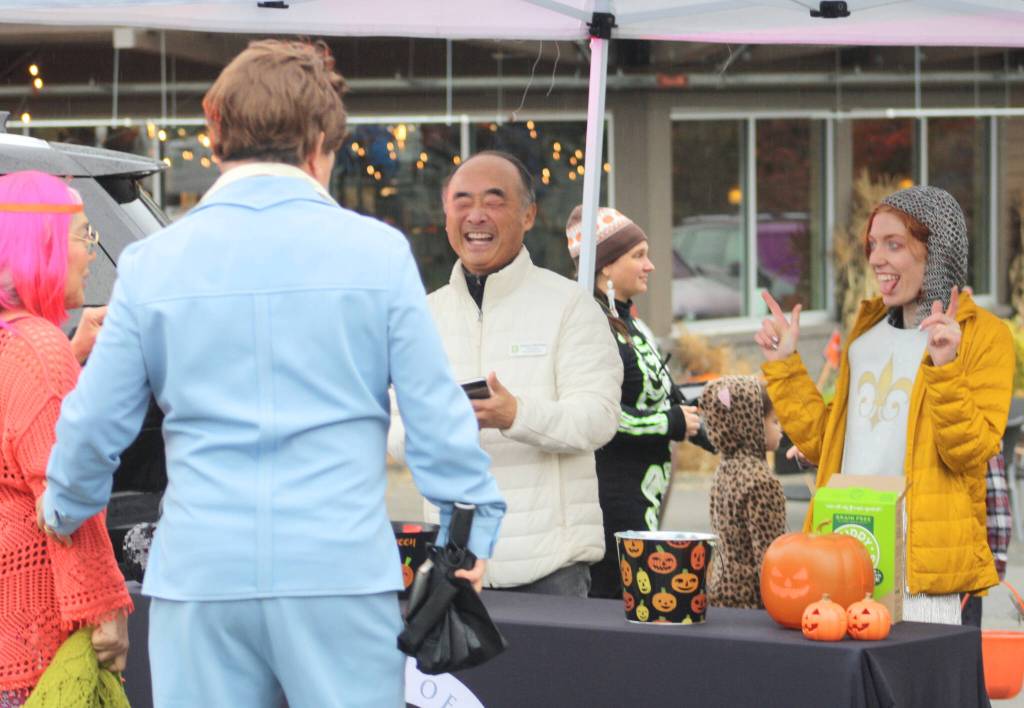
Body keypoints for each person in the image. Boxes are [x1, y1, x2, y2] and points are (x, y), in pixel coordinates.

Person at [39, 40, 505, 708]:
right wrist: (469, 537)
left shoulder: (154, 265)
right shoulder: (377, 255)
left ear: (215, 132)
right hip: (338, 571)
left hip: (200, 573)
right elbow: (436, 417)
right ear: (322, 141)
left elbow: (95, 425)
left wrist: (63, 503)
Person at [757, 185, 1013, 625]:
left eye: (894, 245)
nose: (876, 259)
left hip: (923, 570)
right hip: (844, 549)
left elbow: (969, 452)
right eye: (873, 244)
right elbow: (826, 444)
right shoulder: (865, 335)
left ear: (936, 252)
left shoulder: (984, 337)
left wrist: (946, 364)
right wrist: (785, 366)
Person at [389, 151, 622, 597]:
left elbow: (599, 419)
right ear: (445, 214)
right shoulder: (422, 315)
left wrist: (515, 415)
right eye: (462, 201)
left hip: (549, 570)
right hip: (451, 562)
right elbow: (392, 428)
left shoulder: (569, 306)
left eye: (494, 201)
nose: (476, 215)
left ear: (529, 214)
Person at [0, 171, 132, 707]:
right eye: (84, 236)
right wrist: (106, 612)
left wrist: (68, 354)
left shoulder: (18, 342)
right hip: (38, 645)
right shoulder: (38, 351)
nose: (92, 253)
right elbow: (64, 498)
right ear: (46, 246)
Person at [563, 205, 711, 599]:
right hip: (609, 498)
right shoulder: (587, 323)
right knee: (618, 606)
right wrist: (669, 423)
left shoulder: (631, 321)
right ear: (606, 267)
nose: (651, 266)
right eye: (638, 255)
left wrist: (729, 431)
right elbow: (597, 415)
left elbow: (668, 394)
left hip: (645, 494)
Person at [701, 376, 787, 609]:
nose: (781, 429)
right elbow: (770, 554)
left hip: (720, 590)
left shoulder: (723, 471)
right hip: (753, 600)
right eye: (775, 421)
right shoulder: (761, 481)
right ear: (752, 425)